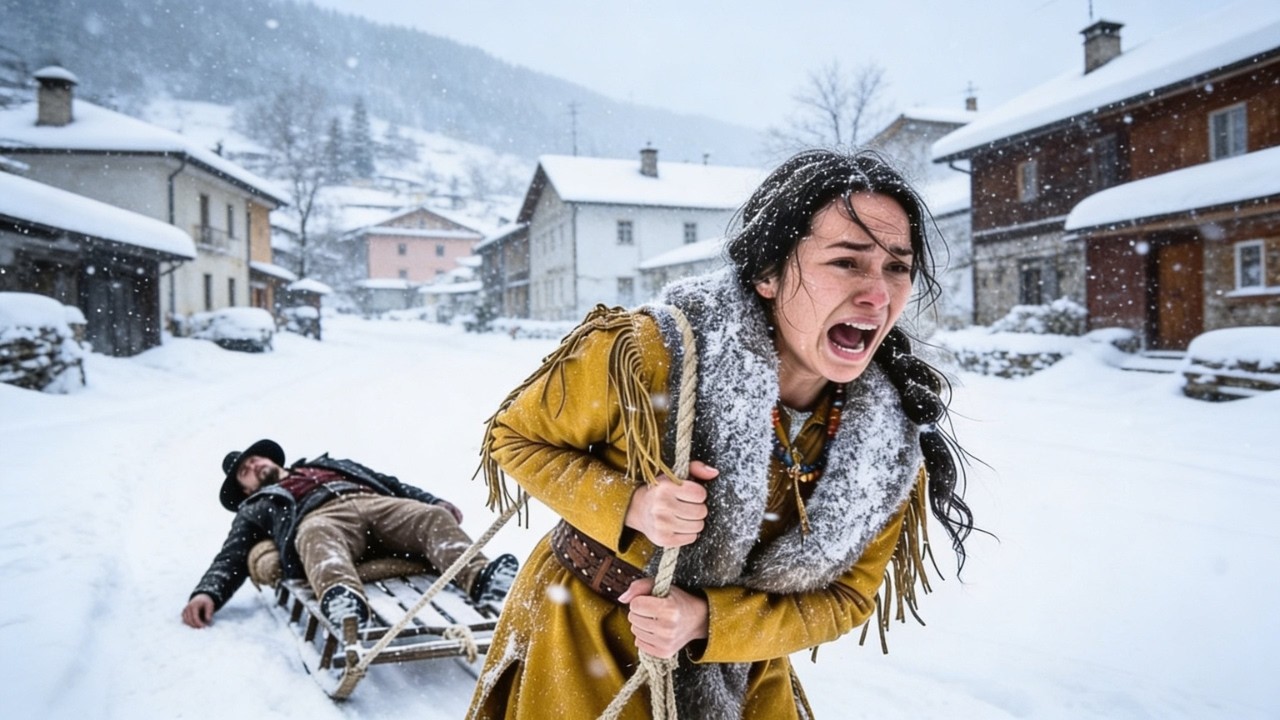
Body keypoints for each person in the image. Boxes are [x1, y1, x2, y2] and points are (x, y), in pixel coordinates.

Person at [466, 148, 975, 720]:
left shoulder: (890, 441)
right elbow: (514, 436)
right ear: (767, 273)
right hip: (586, 640)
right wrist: (631, 503)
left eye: (896, 267)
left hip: (740, 666)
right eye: (847, 262)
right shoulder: (649, 352)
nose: (879, 295)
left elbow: (848, 598)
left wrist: (706, 618)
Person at [182, 438, 518, 630]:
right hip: (321, 519)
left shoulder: (331, 464)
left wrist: (432, 500)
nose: (254, 467)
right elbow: (233, 555)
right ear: (245, 489)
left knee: (429, 517)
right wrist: (208, 593)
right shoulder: (256, 506)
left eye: (254, 460)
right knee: (314, 533)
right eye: (246, 472)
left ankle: (481, 578)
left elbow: (392, 484)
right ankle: (343, 600)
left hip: (375, 504)